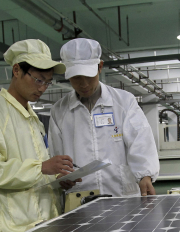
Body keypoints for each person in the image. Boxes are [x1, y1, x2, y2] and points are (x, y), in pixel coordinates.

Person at [0, 39, 78, 232]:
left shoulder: (32, 118)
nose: (43, 88)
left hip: (45, 222)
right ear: (17, 70)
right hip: (13, 230)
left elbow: (36, 171)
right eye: (38, 80)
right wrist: (42, 167)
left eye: (48, 82)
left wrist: (56, 179)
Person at [49, 38, 159, 197]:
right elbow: (56, 157)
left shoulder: (124, 102)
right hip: (80, 199)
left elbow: (141, 141)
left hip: (121, 196)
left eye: (89, 76)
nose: (84, 84)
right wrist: (60, 177)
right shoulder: (59, 111)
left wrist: (145, 175)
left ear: (100, 67)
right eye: (77, 77)